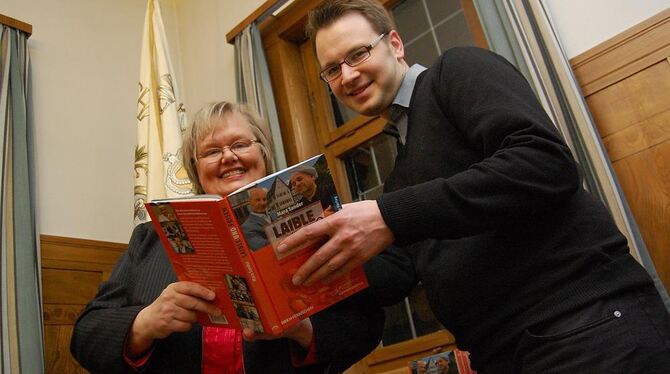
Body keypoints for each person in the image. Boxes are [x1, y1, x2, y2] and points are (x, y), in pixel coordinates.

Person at [277, 1, 670, 373]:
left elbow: (545, 162)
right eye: (331, 69)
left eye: (358, 53)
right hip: (501, 353)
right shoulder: (400, 174)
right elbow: (396, 275)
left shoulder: (456, 70)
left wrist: (389, 213)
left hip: (582, 328)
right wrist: (303, 253)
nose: (347, 76)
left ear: (394, 44)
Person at [70, 101, 383, 373]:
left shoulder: (316, 223)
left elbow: (365, 325)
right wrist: (145, 323)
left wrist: (303, 331)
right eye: (212, 151)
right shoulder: (150, 237)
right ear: (196, 168)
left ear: (263, 152)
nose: (228, 157)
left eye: (241, 144)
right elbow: (85, 335)